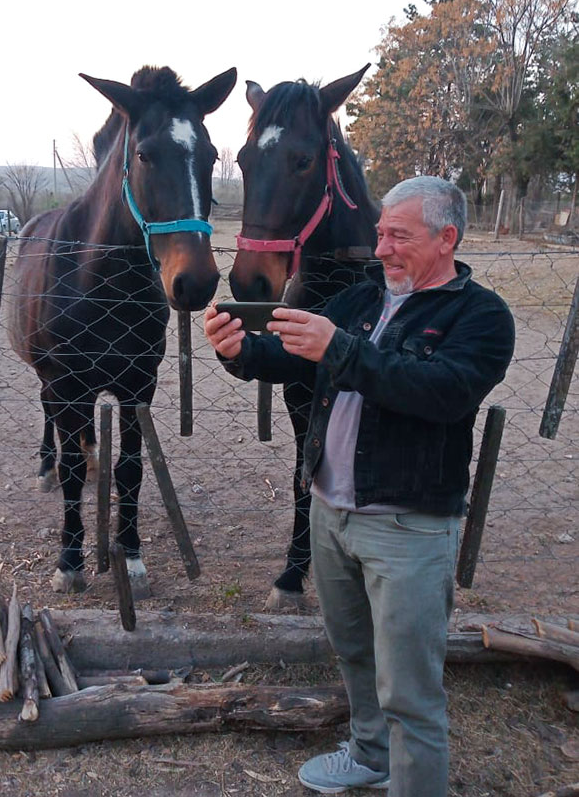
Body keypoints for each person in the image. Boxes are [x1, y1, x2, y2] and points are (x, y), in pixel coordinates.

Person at [204, 177, 515, 797]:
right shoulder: (360, 300)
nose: (381, 250)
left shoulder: (481, 316)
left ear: (446, 238)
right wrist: (236, 351)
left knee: (410, 691)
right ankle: (372, 757)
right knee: (353, 653)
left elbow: (439, 394)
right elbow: (290, 358)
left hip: (408, 527)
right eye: (379, 234)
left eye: (398, 236)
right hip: (330, 514)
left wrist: (339, 350)